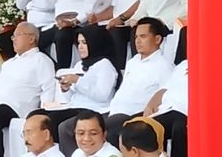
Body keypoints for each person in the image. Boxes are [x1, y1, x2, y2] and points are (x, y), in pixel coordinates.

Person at [59, 17, 173, 155]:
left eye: (143, 36)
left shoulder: (163, 65)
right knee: (65, 128)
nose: (137, 41)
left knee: (102, 130)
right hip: (111, 111)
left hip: (132, 115)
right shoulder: (133, 61)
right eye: (136, 36)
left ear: (157, 39)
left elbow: (166, 97)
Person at [0, 22, 56, 156]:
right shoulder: (9, 63)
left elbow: (49, 87)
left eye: (17, 35)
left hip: (19, 108)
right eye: (13, 37)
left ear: (31, 38)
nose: (13, 39)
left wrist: (43, 114)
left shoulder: (41, 60)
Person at [43, 27, 119, 143]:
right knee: (39, 116)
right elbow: (73, 95)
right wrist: (66, 88)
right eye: (78, 43)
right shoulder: (80, 64)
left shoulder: (105, 65)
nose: (80, 47)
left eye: (84, 43)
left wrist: (78, 80)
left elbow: (102, 95)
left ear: (95, 43)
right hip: (75, 106)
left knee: (55, 122)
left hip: (94, 109)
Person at [143, 59, 187, 157]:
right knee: (142, 127)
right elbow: (164, 88)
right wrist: (150, 105)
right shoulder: (183, 64)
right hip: (166, 109)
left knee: (179, 127)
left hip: (185, 112)